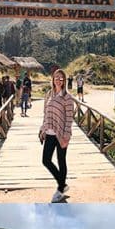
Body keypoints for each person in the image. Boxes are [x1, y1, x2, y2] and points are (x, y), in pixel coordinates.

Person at [39, 69, 75, 203]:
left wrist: (66, 135)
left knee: (61, 161)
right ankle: (63, 184)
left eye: (61, 78)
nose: (58, 80)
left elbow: (70, 118)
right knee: (46, 160)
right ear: (53, 79)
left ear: (64, 81)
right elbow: (45, 114)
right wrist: (43, 128)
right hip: (49, 133)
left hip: (61, 134)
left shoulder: (67, 97)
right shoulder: (48, 94)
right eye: (56, 77)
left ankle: (60, 190)